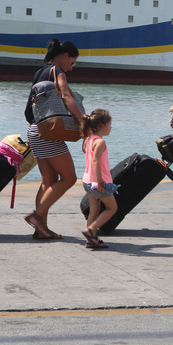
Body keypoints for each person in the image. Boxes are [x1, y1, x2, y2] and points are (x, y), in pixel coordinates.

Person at [23, 39, 84, 240]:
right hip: (48, 133)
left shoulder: (39, 73)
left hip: (35, 130)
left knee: (48, 180)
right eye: (72, 63)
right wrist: (83, 120)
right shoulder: (58, 72)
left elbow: (31, 108)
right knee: (69, 178)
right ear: (65, 56)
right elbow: (66, 96)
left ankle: (41, 229)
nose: (71, 68)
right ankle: (37, 217)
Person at [80, 109, 115, 249]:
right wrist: (100, 181)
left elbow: (87, 153)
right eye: (109, 124)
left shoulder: (89, 139)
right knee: (112, 208)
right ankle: (91, 230)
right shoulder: (99, 142)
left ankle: (91, 240)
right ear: (102, 126)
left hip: (87, 180)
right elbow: (96, 161)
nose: (111, 127)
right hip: (97, 181)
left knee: (94, 210)